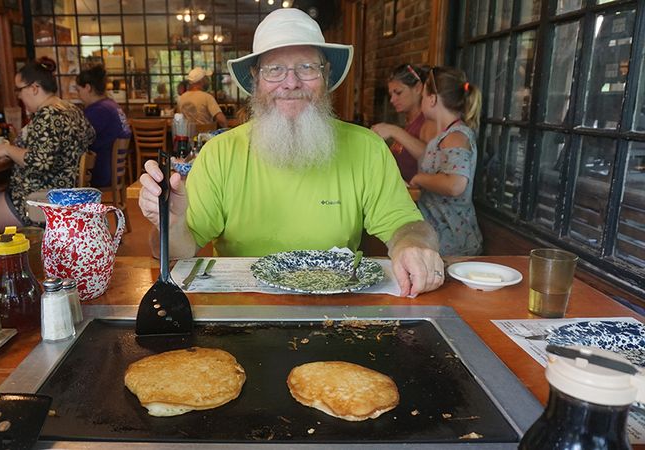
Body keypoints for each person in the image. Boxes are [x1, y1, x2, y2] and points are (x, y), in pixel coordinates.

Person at [138, 8, 445, 297]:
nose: (291, 82)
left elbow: (409, 226)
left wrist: (413, 245)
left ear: (325, 76)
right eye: (275, 70)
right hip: (242, 313)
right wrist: (170, 223)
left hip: (336, 312)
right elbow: (175, 252)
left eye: (307, 68)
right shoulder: (219, 153)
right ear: (256, 80)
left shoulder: (367, 148)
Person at [0, 57, 95, 233]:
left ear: (34, 88)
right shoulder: (70, 108)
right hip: (66, 193)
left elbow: (40, 161)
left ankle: (15, 259)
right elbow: (90, 136)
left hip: (42, 200)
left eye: (19, 90)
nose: (19, 96)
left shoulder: (48, 115)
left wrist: (7, 149)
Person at [411, 66, 483, 256]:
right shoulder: (445, 136)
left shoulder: (456, 136)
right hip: (442, 240)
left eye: (424, 95)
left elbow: (455, 184)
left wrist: (419, 178)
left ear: (433, 99)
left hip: (454, 244)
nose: (422, 101)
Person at [370, 64, 437, 182]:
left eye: (398, 92)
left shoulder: (428, 122)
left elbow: (431, 158)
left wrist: (394, 130)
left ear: (418, 88)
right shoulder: (409, 123)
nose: (392, 100)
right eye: (391, 95)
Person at [76, 65, 132, 188]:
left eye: (78, 90)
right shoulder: (111, 106)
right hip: (112, 171)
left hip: (101, 173)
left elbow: (78, 139)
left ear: (88, 88)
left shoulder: (98, 111)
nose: (78, 96)